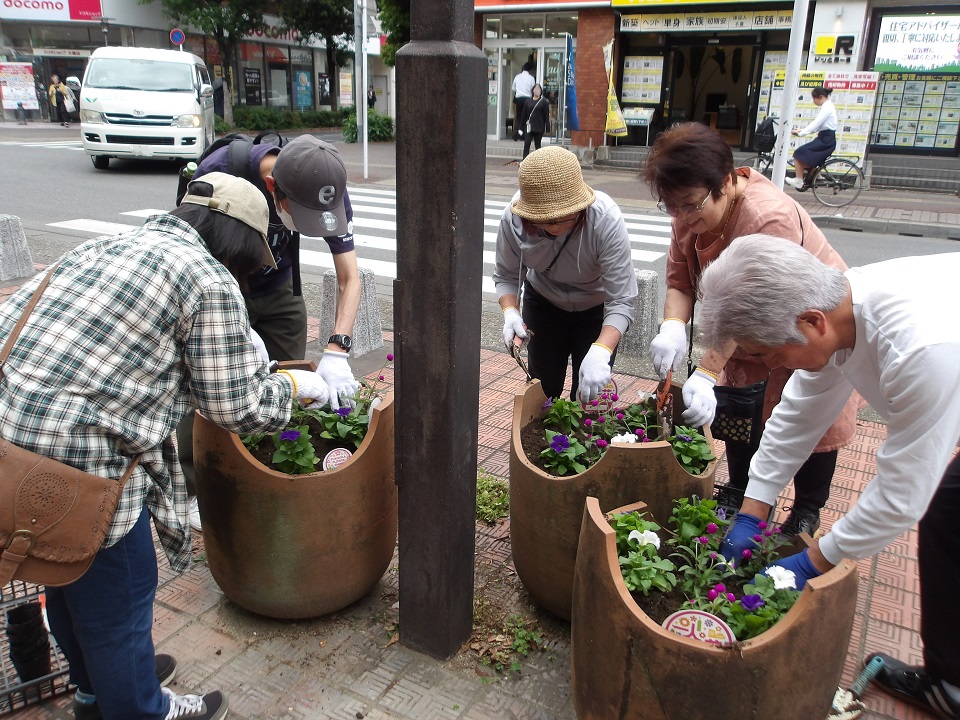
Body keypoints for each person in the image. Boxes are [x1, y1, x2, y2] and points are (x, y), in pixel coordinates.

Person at [0, 172, 332, 720]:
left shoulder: (105, 243)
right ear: (240, 243)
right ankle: (139, 708)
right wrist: (295, 387)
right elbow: (236, 407)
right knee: (120, 604)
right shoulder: (206, 278)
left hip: (13, 450)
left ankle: (95, 690)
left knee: (61, 577)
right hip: (88, 470)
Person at [701, 234, 960, 720]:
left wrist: (815, 561)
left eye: (770, 354)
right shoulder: (841, 311)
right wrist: (753, 511)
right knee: (948, 519)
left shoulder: (916, 350)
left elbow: (902, 494)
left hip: (946, 359)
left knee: (942, 508)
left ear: (810, 323)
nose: (772, 367)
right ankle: (952, 683)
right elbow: (798, 415)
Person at [643, 121, 859, 538]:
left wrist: (706, 371)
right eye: (673, 208)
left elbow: (758, 307)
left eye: (690, 206)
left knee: (814, 422)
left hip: (800, 329)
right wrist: (672, 325)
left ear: (726, 182)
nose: (683, 218)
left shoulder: (766, 218)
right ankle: (741, 492)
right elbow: (679, 281)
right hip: (744, 333)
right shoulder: (688, 213)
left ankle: (806, 510)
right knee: (742, 413)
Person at [187, 135, 362, 531]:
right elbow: (196, 266)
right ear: (272, 189)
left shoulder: (325, 186)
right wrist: (237, 333)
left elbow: (349, 277)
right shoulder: (219, 173)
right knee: (207, 388)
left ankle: (274, 472)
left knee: (291, 385)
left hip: (277, 286)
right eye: (302, 216)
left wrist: (338, 350)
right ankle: (199, 489)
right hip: (221, 288)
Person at [493, 145, 638, 402]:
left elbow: (622, 300)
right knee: (542, 387)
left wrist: (602, 349)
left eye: (566, 217)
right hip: (544, 303)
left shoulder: (605, 219)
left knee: (591, 393)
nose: (557, 225)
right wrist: (510, 312)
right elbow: (506, 275)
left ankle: (586, 437)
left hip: (596, 309)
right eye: (546, 221)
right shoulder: (512, 220)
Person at [786, 86, 837, 190]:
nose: (813, 101)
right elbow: (818, 126)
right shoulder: (828, 106)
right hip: (826, 138)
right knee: (808, 158)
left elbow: (816, 123)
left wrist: (802, 133)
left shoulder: (827, 108)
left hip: (825, 140)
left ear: (821, 97)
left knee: (798, 154)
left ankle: (799, 180)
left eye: (814, 99)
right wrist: (802, 130)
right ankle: (816, 175)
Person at [518, 83, 550, 159]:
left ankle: (538, 162)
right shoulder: (528, 101)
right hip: (529, 126)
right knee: (527, 143)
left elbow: (546, 115)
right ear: (533, 91)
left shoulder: (544, 102)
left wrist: (547, 127)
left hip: (539, 126)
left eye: (539, 89)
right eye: (536, 89)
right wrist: (521, 128)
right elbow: (524, 115)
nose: (537, 90)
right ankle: (524, 161)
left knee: (538, 145)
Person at [511, 62, 535, 141]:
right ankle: (525, 134)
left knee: (519, 117)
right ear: (530, 70)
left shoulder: (517, 77)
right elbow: (533, 90)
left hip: (518, 99)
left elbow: (513, 88)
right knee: (527, 118)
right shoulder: (531, 78)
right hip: (527, 99)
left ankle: (517, 133)